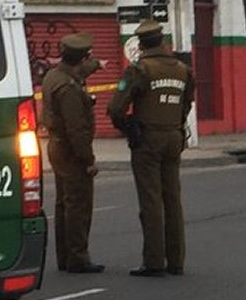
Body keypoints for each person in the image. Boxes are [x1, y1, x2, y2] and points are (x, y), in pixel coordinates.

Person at [108, 20, 195, 278]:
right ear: (162, 41)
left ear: (141, 45)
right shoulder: (182, 69)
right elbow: (186, 102)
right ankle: (176, 260)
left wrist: (127, 126)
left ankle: (154, 261)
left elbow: (115, 108)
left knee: (151, 201)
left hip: (148, 140)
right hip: (173, 137)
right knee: (172, 199)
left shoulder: (140, 70)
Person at [40, 32, 104, 274]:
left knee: (63, 203)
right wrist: (88, 160)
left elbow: (79, 71)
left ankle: (65, 256)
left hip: (57, 147)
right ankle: (78, 256)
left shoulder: (54, 76)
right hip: (71, 150)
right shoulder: (69, 89)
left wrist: (95, 64)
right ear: (81, 57)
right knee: (78, 204)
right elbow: (76, 129)